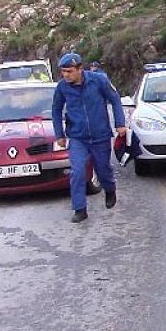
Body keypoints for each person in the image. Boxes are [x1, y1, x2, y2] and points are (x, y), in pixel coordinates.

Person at [52, 53, 126, 223]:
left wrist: (120, 123)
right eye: (63, 72)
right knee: (77, 171)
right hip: (78, 137)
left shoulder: (99, 80)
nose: (65, 75)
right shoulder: (62, 87)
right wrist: (59, 135)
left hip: (100, 135)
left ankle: (110, 189)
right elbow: (56, 109)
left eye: (69, 71)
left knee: (103, 170)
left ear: (80, 69)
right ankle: (80, 208)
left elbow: (115, 99)